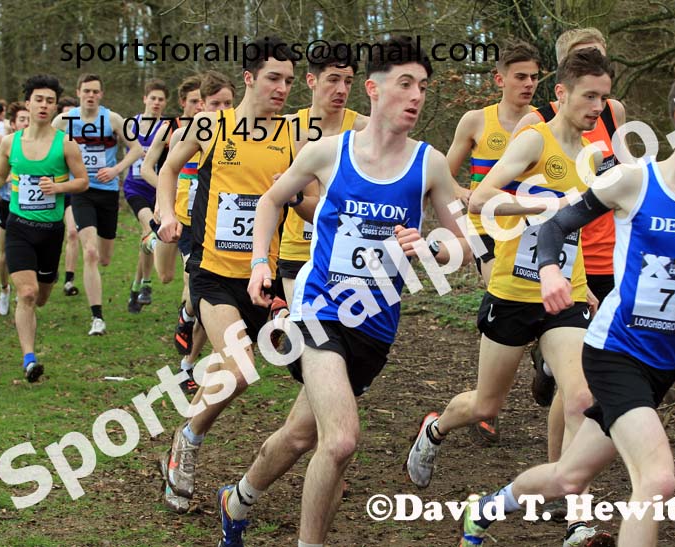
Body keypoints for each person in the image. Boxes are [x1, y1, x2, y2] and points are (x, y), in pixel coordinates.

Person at [459, 69, 675, 547]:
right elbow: (556, 226)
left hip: (666, 364)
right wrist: (552, 272)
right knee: (657, 482)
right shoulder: (633, 181)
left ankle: (489, 506)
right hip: (615, 352)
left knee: (568, 478)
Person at [214, 36, 473, 547]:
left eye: (422, 86)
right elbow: (270, 202)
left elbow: (464, 247)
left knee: (300, 434)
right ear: (374, 91)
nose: (416, 95)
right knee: (342, 440)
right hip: (318, 313)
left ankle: (237, 499)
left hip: (374, 325)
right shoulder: (329, 152)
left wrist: (430, 249)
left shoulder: (431, 165)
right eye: (405, 84)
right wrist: (260, 263)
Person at [406, 47, 613, 547]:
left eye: (604, 99)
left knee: (580, 397)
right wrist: (546, 204)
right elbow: (480, 198)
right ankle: (435, 429)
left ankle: (575, 514)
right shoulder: (531, 140)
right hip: (513, 291)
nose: (597, 107)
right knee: (485, 404)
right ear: (561, 93)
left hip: (565, 294)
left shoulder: (595, 154)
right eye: (589, 96)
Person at [155, 39, 296, 514]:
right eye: (274, 78)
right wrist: (164, 213)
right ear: (250, 78)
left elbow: (311, 198)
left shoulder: (294, 135)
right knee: (239, 366)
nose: (282, 88)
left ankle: (329, 466)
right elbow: (168, 168)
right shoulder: (213, 124)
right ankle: (187, 446)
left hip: (264, 278)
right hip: (212, 272)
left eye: (289, 81)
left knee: (299, 368)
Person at [516, 31, 627, 483]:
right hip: (564, 260)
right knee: (575, 384)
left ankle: (568, 473)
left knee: (592, 373)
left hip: (610, 256)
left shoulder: (614, 113)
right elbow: (512, 199)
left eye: (598, 57)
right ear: (563, 75)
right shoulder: (535, 124)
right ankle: (564, 477)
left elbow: (620, 179)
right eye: (582, 59)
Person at [444, 38, 541, 444]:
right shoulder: (475, 121)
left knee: (532, 306)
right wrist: (462, 194)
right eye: (520, 76)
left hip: (528, 231)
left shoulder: (545, 121)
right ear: (500, 78)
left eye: (535, 77)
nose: (528, 84)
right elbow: (442, 172)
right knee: (499, 292)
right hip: (485, 228)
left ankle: (538, 361)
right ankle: (488, 407)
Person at [0, 75, 88, 382]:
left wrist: (59, 186)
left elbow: (83, 181)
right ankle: (29, 359)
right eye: (39, 99)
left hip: (51, 232)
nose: (44, 105)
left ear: (54, 107)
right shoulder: (11, 142)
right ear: (28, 103)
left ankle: (30, 314)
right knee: (26, 292)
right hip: (19, 227)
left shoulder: (66, 144)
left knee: (41, 297)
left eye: (50, 101)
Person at [142, 72, 233, 395]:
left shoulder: (237, 135)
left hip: (219, 225)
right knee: (174, 279)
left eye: (226, 104)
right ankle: (152, 244)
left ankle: (187, 364)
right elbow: (154, 169)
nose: (219, 110)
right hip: (185, 221)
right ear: (196, 105)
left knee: (206, 292)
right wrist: (162, 205)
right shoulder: (180, 133)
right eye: (212, 104)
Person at [276, 43, 367, 312]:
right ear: (311, 81)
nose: (341, 89)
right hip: (297, 249)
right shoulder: (288, 127)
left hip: (346, 251)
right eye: (333, 79)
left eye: (348, 81)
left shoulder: (364, 130)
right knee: (305, 329)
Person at [52, 74, 144, 335]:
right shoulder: (63, 121)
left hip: (108, 192)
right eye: (86, 91)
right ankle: (97, 318)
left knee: (104, 257)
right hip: (81, 190)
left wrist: (116, 169)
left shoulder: (113, 119)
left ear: (101, 95)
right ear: (78, 92)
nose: (90, 96)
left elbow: (137, 149)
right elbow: (48, 147)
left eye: (95, 91)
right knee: (90, 252)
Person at [124, 79, 169, 313]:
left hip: (158, 189)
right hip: (135, 189)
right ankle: (148, 286)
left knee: (146, 237)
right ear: (145, 99)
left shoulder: (167, 129)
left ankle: (136, 288)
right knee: (150, 229)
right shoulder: (131, 125)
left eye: (161, 99)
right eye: (153, 98)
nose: (156, 103)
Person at [0, 102, 30, 316]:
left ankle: (22, 290)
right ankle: (4, 289)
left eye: (28, 119)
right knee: (6, 254)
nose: (26, 123)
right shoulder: (7, 145)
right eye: (22, 119)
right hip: (8, 204)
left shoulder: (39, 145)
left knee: (29, 253)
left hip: (31, 207)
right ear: (13, 124)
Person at [57, 96, 82, 297]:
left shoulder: (80, 137)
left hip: (72, 191)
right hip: (52, 192)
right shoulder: (52, 138)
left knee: (72, 233)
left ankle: (68, 279)